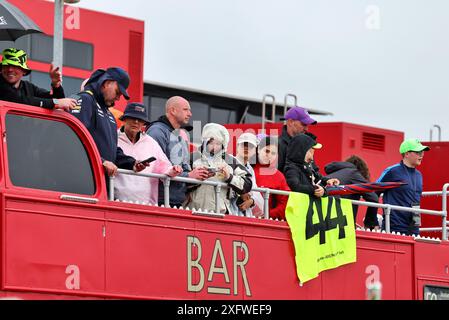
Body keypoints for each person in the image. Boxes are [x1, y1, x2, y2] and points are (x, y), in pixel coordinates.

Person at [70, 67, 147, 179]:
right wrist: (102, 161)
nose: (118, 98)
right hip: (82, 179)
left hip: (99, 182)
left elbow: (112, 150)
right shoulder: (84, 99)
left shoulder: (109, 114)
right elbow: (73, 139)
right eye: (117, 92)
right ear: (106, 83)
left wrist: (131, 163)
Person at [147, 96, 210, 207]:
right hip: (159, 199)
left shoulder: (180, 134)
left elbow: (184, 168)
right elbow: (154, 167)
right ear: (173, 111)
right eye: (185, 109)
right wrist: (189, 175)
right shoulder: (157, 131)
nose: (190, 114)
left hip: (176, 199)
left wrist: (198, 175)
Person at [114, 102, 182, 204]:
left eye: (140, 120)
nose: (136, 122)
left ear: (144, 123)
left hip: (146, 204)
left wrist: (173, 170)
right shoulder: (113, 138)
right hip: (116, 202)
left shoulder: (151, 142)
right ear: (124, 119)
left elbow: (164, 166)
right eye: (133, 118)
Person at [187, 123, 253, 214]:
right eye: (210, 142)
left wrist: (229, 177)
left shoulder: (231, 161)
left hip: (220, 213)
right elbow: (177, 183)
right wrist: (195, 179)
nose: (214, 147)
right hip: (192, 211)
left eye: (218, 143)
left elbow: (248, 184)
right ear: (204, 141)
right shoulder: (192, 157)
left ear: (223, 144)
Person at [376, 138, 430, 236]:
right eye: (418, 152)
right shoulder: (392, 171)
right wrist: (372, 220)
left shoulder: (419, 175)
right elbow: (374, 191)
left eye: (422, 152)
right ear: (406, 154)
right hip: (394, 227)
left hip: (414, 227)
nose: (422, 155)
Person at [0, 48, 77, 110]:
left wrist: (56, 84)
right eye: (6, 65)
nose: (10, 69)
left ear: (24, 71)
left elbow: (57, 100)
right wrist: (56, 103)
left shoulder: (28, 87)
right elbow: (20, 100)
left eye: (15, 66)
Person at [324, 155, 380, 229]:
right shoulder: (354, 173)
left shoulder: (333, 174)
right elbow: (373, 198)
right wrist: (370, 223)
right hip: (339, 224)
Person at [253, 136, 290, 220]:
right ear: (258, 149)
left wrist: (268, 214)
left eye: (273, 153)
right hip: (242, 218)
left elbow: (285, 202)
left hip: (266, 223)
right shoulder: (247, 169)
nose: (269, 155)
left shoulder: (278, 176)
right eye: (267, 151)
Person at [232, 132, 264, 217]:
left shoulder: (250, 169)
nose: (246, 148)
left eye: (250, 146)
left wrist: (251, 201)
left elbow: (257, 195)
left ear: (255, 150)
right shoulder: (230, 162)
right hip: (230, 211)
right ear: (237, 146)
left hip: (244, 214)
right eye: (243, 145)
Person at [278, 106, 317, 174]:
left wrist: (326, 180)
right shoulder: (277, 146)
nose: (306, 129)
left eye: (307, 125)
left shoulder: (305, 144)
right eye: (304, 124)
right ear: (290, 122)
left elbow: (313, 170)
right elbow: (275, 177)